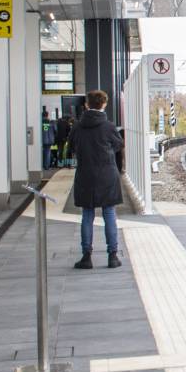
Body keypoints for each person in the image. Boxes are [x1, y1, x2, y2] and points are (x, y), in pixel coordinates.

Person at [67, 90, 124, 269]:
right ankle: (112, 256)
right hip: (107, 175)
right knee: (109, 214)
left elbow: (71, 147)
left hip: (85, 175)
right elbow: (118, 145)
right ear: (104, 104)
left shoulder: (77, 126)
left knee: (87, 215)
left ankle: (86, 257)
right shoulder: (108, 127)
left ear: (87, 105)